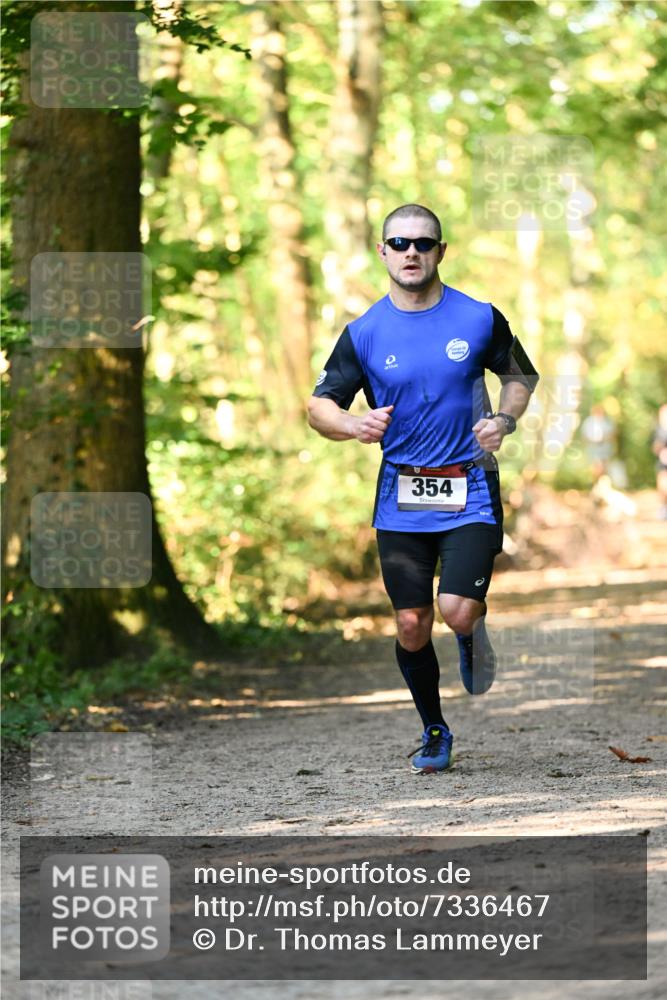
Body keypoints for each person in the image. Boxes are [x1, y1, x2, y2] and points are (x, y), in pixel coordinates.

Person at [307, 204, 539, 774]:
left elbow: (520, 376)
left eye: (423, 243)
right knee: (412, 624)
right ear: (383, 252)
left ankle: (471, 631)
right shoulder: (363, 333)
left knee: (456, 611)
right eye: (399, 242)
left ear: (440, 251)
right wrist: (351, 425)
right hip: (401, 496)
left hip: (471, 487)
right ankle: (434, 729)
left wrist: (504, 422)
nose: (412, 252)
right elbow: (318, 407)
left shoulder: (480, 317)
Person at [652, 404, 667, 520]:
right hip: (663, 462)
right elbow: (654, 447)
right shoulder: (658, 430)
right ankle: (663, 507)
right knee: (662, 484)